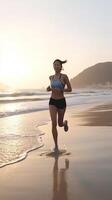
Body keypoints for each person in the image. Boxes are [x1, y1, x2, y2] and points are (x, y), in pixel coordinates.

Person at [46, 59, 72, 152]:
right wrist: (48, 89)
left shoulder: (64, 77)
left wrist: (62, 90)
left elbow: (70, 89)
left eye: (58, 65)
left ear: (61, 67)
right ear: (53, 66)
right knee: (54, 123)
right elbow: (49, 89)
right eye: (54, 65)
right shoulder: (51, 77)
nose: (56, 66)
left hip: (61, 102)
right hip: (52, 101)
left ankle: (65, 123)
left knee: (60, 124)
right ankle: (56, 145)